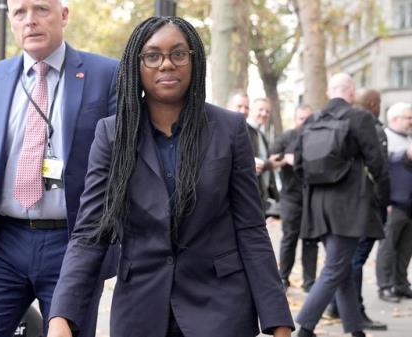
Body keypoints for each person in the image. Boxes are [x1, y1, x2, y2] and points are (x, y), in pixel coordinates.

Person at [47, 16, 294, 337]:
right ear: (137, 64)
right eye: (153, 56)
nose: (166, 64)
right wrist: (61, 316)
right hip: (140, 311)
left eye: (178, 54)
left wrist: (278, 322)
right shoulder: (112, 134)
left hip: (221, 309)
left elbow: (251, 229)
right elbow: (90, 232)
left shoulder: (229, 130)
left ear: (194, 61)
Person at [0, 0, 118, 336]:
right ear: (11, 21)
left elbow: (119, 168)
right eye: (19, 12)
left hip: (72, 244)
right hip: (2, 245)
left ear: (64, 15)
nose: (30, 21)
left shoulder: (106, 75)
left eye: (41, 10)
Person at [294, 73, 389, 337]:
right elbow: (377, 164)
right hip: (349, 205)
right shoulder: (360, 118)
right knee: (335, 268)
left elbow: (300, 166)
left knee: (342, 268)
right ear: (351, 91)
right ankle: (304, 327)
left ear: (329, 92)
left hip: (318, 206)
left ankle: (355, 330)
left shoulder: (311, 121)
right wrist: (384, 199)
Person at [324, 88, 390, 331]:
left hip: (336, 206)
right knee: (352, 261)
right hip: (363, 205)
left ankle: (341, 311)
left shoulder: (333, 121)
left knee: (345, 261)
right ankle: (348, 313)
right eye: (379, 102)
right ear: (373, 104)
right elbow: (379, 166)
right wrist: (385, 201)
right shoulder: (366, 123)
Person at [269, 104, 318, 292]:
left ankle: (310, 281)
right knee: (290, 237)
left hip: (312, 196)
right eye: (301, 118)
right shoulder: (287, 137)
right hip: (291, 196)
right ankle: (283, 278)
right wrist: (287, 158)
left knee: (310, 239)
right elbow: (273, 157)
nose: (305, 122)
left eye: (308, 118)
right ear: (295, 119)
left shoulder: (317, 136)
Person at [376, 102, 412, 302]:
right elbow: (382, 169)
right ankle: (385, 286)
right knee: (388, 246)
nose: (411, 121)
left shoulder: (408, 138)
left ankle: (401, 283)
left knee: (406, 247)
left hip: (409, 204)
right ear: (395, 119)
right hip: (393, 203)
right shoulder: (385, 137)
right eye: (408, 117)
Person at [228, 93, 282, 208]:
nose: (264, 114)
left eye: (267, 111)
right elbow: (249, 165)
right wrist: (269, 163)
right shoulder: (241, 131)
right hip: (244, 198)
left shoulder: (261, 135)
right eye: (261, 109)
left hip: (260, 198)